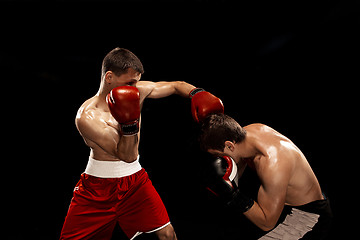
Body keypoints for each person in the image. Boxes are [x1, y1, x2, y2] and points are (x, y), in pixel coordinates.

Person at [60, 47, 223, 240]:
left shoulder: (137, 90)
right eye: (129, 82)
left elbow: (175, 85)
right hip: (97, 189)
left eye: (136, 82)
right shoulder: (87, 116)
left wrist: (196, 93)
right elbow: (127, 155)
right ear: (109, 77)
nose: (134, 88)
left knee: (167, 235)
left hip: (134, 181)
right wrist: (129, 124)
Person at [199, 113, 332, 240]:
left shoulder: (273, 164)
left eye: (218, 155)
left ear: (229, 145)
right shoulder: (249, 132)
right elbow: (239, 161)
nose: (219, 160)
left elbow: (267, 223)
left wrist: (233, 195)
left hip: (308, 215)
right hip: (283, 202)